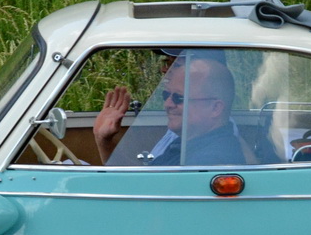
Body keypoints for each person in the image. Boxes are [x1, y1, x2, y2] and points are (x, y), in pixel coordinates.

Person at [93, 54, 245, 166]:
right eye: (166, 95)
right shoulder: (190, 144)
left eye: (179, 98)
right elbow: (143, 184)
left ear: (215, 108)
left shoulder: (208, 161)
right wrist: (104, 141)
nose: (168, 104)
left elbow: (144, 198)